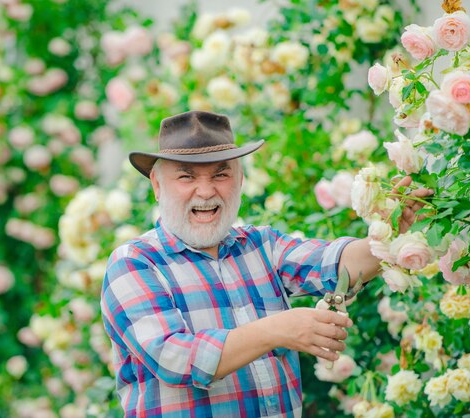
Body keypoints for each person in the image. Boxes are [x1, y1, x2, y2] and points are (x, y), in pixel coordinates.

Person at [100, 110, 431, 417]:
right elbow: (176, 359)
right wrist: (278, 329)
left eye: (221, 174)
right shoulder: (135, 263)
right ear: (157, 185)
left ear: (240, 180)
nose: (205, 191)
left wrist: (388, 231)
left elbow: (335, 263)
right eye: (186, 177)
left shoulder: (259, 245)